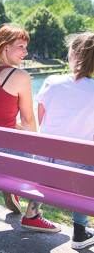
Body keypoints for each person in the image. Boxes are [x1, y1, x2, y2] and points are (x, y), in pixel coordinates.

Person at [0, 23, 59, 232]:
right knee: (48, 160)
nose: (26, 52)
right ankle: (32, 215)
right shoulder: (19, 76)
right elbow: (28, 120)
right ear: (5, 47)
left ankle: (12, 191)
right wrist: (40, 147)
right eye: (21, 46)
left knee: (17, 145)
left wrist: (15, 127)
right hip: (1, 156)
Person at [23, 32, 94, 248]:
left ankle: (32, 213)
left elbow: (43, 121)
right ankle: (80, 231)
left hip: (45, 166)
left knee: (49, 151)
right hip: (76, 170)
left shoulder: (51, 82)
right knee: (87, 159)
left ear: (72, 54)